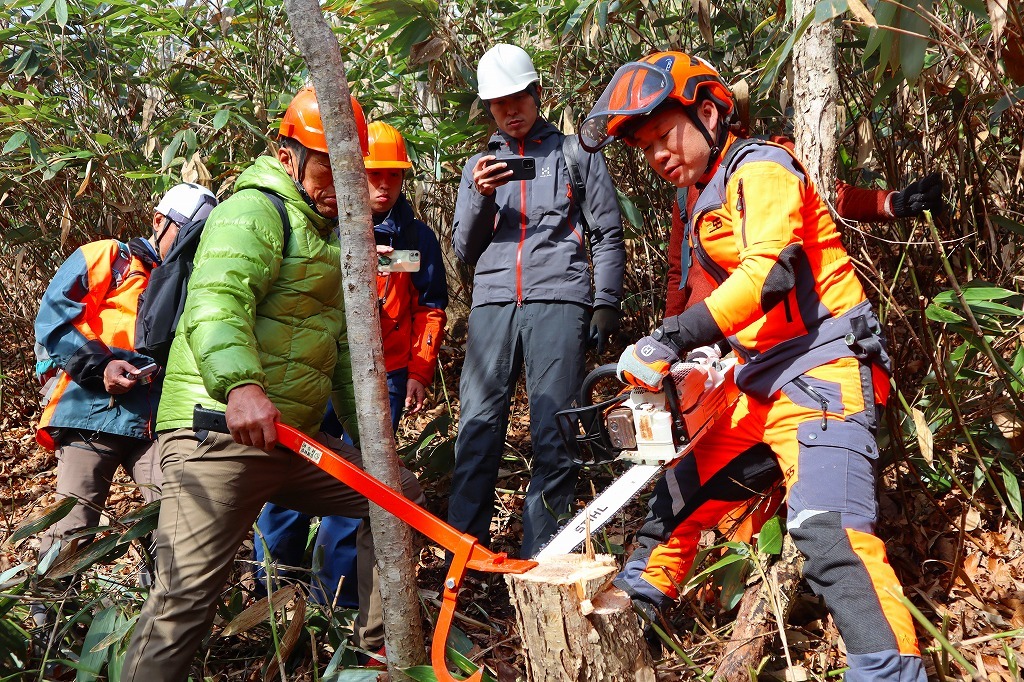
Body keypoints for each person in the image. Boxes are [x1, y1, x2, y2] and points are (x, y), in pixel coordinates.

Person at [581, 52, 926, 680]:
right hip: (755, 377)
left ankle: (890, 672)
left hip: (823, 368)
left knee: (828, 532)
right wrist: (688, 352)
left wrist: (673, 337)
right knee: (678, 496)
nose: (657, 155)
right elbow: (696, 289)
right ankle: (631, 613)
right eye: (645, 147)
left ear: (707, 112)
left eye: (665, 136)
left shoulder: (760, 167)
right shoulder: (697, 197)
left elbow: (769, 271)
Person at [121, 87, 423, 680]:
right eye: (324, 166)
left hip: (291, 441)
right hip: (219, 438)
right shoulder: (255, 211)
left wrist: (374, 447)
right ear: (288, 157)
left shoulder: (332, 235)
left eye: (349, 166)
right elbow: (217, 301)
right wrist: (239, 386)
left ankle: (382, 652)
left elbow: (341, 351)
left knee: (396, 498)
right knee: (182, 605)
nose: (340, 183)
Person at [252, 120, 448, 608]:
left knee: (359, 484)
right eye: (372, 174)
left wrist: (420, 370)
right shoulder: (318, 225)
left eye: (394, 176)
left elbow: (430, 308)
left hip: (387, 377)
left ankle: (335, 599)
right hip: (312, 371)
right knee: (286, 479)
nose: (383, 186)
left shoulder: (416, 240)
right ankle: (273, 593)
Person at [448, 43, 626, 558]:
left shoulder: (574, 153)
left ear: (537, 94)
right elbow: (465, 247)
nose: (510, 110)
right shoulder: (478, 165)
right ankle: (466, 553)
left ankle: (543, 555)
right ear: (489, 109)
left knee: (555, 430)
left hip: (559, 299)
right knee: (478, 429)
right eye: (498, 103)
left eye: (518, 97)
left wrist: (605, 302)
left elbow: (607, 233)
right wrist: (481, 195)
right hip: (494, 305)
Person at [33, 182, 218, 574]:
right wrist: (102, 368)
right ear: (159, 222)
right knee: (73, 524)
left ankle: (158, 613)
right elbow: (54, 318)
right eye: (186, 234)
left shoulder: (191, 282)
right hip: (91, 412)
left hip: (152, 421)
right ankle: (47, 622)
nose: (191, 245)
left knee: (174, 511)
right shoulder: (108, 258)